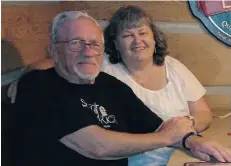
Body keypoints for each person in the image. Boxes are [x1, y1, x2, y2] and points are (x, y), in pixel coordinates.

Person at [12, 11, 231, 166]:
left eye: (94, 44)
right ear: (54, 50)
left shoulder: (110, 85)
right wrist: (168, 138)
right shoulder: (38, 86)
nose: (87, 52)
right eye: (75, 43)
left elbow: (157, 126)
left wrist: (193, 143)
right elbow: (97, 147)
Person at [102, 5, 220, 165]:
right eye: (128, 35)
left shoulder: (173, 66)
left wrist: (186, 124)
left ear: (154, 37)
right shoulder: (107, 74)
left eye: (143, 33)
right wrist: (169, 135)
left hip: (183, 156)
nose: (137, 41)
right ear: (115, 43)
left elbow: (203, 113)